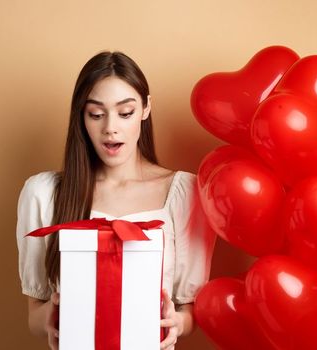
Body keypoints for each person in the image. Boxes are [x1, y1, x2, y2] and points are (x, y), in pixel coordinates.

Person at [15, 51, 216, 350]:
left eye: (125, 113)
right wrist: (52, 315)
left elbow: (188, 311)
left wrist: (178, 323)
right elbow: (34, 316)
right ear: (81, 117)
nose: (110, 127)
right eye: (96, 114)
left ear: (146, 109)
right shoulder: (43, 194)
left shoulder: (183, 193)